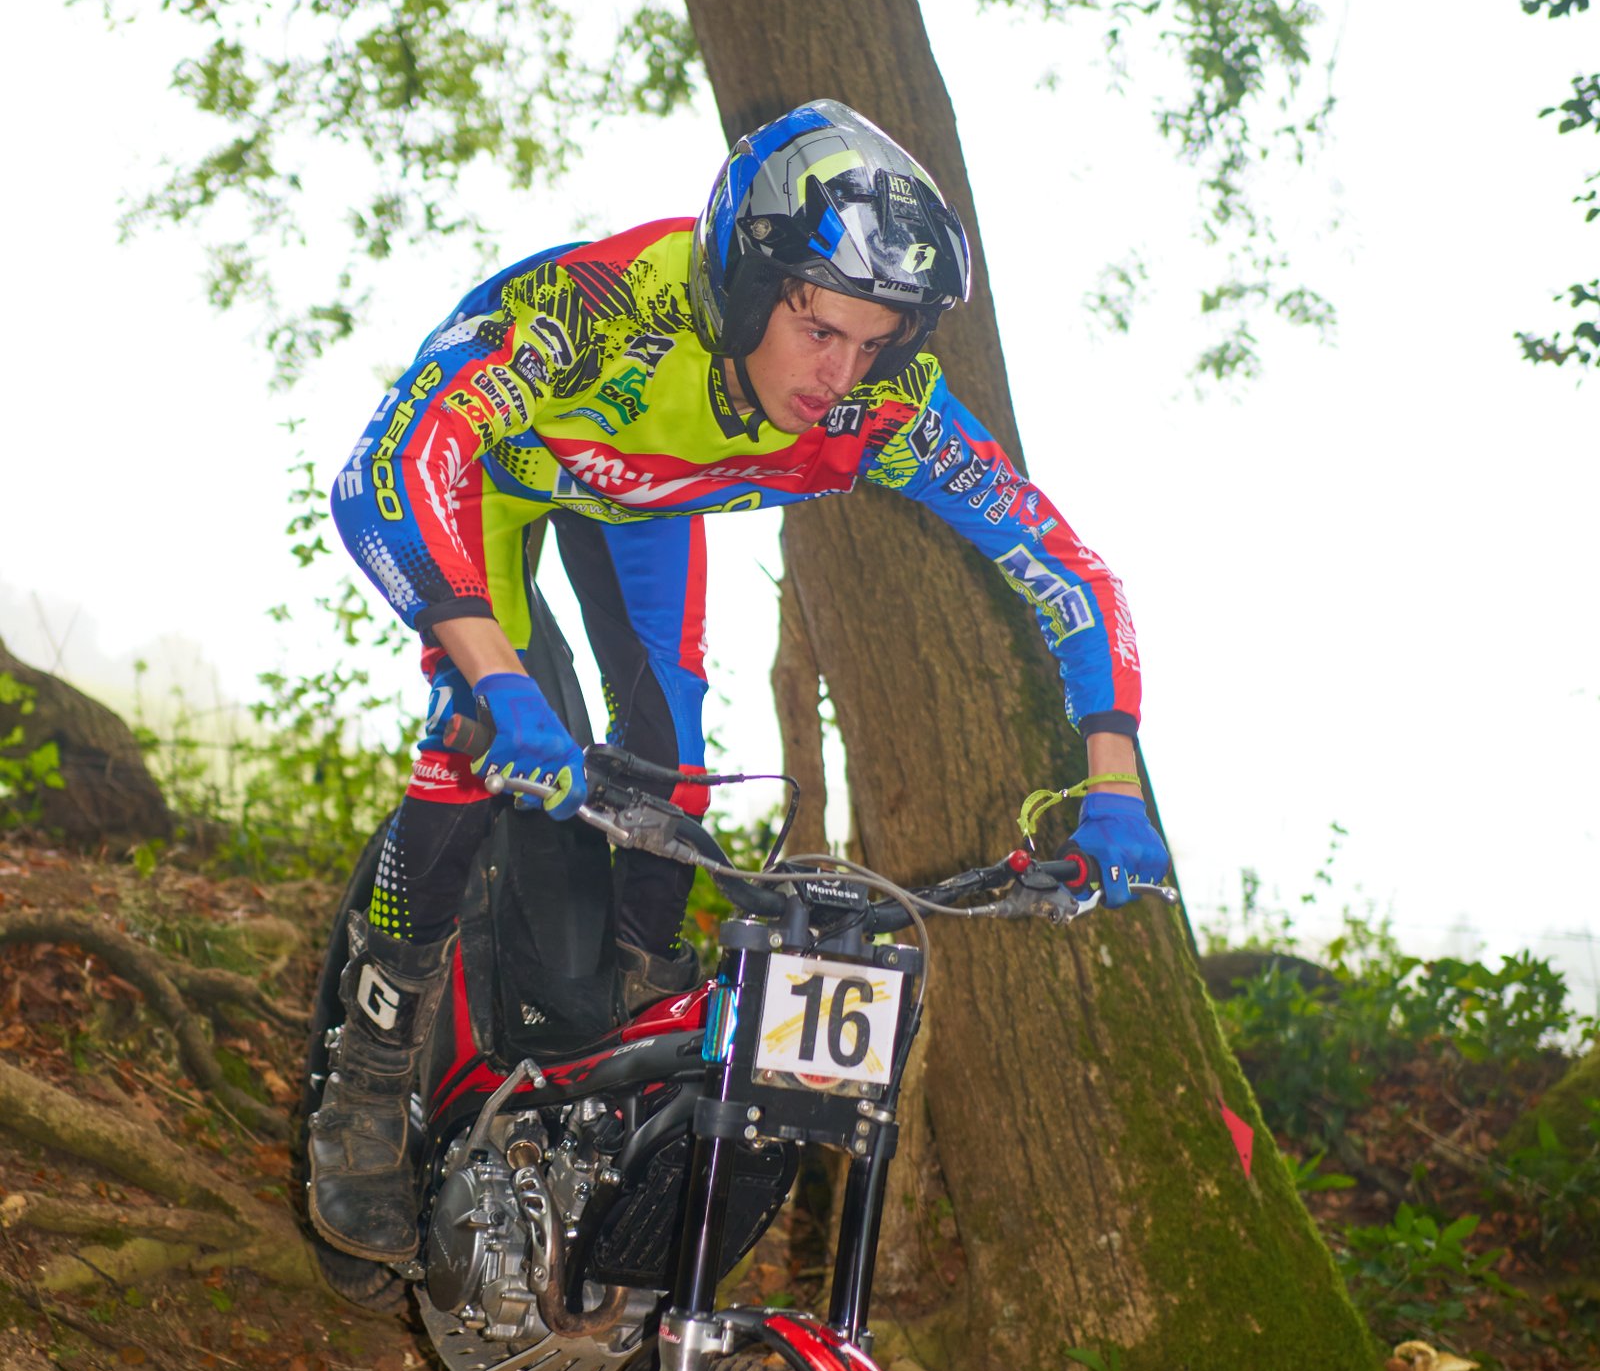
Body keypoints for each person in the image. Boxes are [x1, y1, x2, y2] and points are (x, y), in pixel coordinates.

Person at [310, 99, 1169, 1262]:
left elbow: (1069, 568)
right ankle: (365, 1076)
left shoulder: (880, 408)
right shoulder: (594, 312)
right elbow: (387, 470)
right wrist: (501, 686)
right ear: (747, 285)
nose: (839, 373)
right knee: (480, 735)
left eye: (874, 342)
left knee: (673, 769)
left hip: (646, 504)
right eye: (820, 330)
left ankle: (604, 1058)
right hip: (493, 485)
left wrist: (1113, 780)